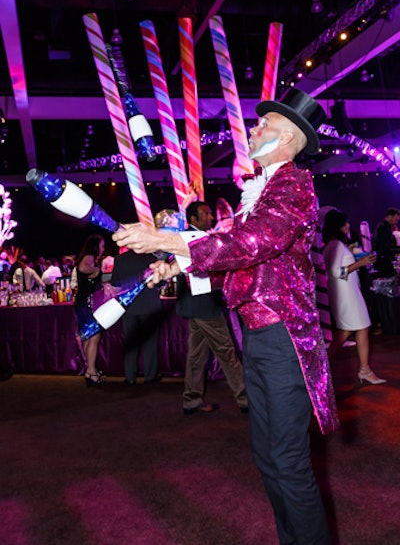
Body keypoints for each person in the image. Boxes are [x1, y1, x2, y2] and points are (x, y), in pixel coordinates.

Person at [112, 88, 339, 544]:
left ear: (288, 137)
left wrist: (169, 242)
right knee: (268, 456)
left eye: (265, 123)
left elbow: (251, 243)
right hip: (258, 336)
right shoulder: (258, 191)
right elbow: (227, 248)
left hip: (285, 339)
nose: (255, 127)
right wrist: (173, 263)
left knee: (288, 462)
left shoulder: (294, 185)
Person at [176, 201, 248, 415]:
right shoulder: (190, 238)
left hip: (197, 305)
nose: (211, 217)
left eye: (209, 213)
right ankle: (246, 399)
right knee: (227, 352)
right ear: (192, 220)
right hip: (204, 305)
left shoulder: (196, 237)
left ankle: (192, 399)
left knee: (197, 355)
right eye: (205, 214)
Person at [322, 209, 386, 385]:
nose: (349, 226)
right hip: (346, 294)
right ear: (339, 226)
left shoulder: (333, 244)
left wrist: (358, 259)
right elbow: (335, 271)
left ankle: (322, 366)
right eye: (346, 223)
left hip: (346, 292)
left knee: (346, 331)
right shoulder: (335, 245)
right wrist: (360, 263)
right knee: (361, 327)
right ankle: (364, 370)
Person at [110, 247, 162, 386]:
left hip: (128, 306)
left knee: (131, 342)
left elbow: (115, 282)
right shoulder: (151, 258)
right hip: (149, 305)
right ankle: (150, 376)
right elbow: (160, 281)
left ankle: (130, 376)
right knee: (149, 343)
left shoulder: (119, 260)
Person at [74, 234, 106, 387]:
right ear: (95, 246)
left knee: (89, 336)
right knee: (94, 335)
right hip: (87, 302)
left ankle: (90, 370)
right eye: (101, 245)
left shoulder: (88, 257)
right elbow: (82, 268)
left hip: (83, 302)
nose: (103, 249)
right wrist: (95, 270)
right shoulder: (89, 257)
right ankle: (91, 371)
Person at [373, 207, 400, 277]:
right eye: (396, 219)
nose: (396, 222)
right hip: (384, 263)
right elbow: (385, 248)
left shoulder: (386, 227)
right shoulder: (383, 228)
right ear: (389, 217)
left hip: (386, 261)